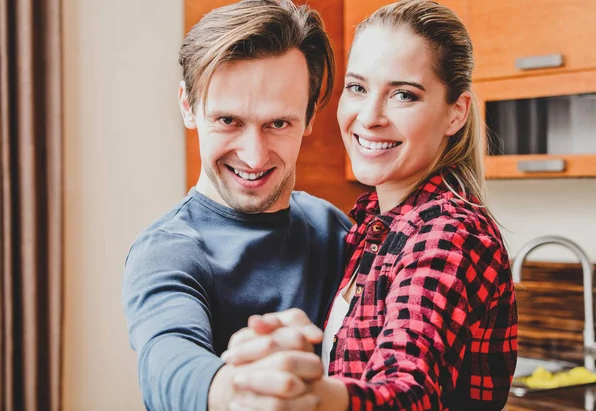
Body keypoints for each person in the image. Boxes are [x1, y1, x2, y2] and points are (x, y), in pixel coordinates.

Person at [221, 1, 519, 410]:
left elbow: (408, 389)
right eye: (358, 88)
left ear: (456, 114)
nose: (370, 116)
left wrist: (315, 396)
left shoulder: (447, 232)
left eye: (403, 94)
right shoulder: (373, 227)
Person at [121, 1, 352, 410]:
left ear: (310, 115)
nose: (254, 155)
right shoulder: (167, 250)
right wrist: (235, 391)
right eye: (228, 121)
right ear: (188, 106)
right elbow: (167, 357)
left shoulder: (333, 228)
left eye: (278, 123)